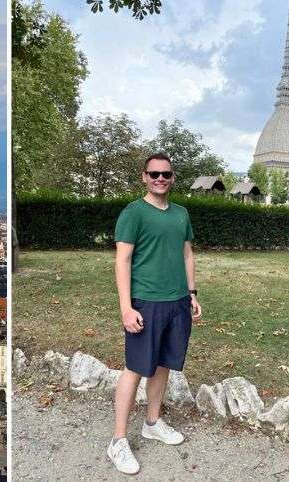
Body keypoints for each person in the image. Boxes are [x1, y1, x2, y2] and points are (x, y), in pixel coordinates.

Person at [106, 152, 202, 475]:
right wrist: (125, 307)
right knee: (134, 369)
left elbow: (187, 254)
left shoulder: (181, 214)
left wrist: (192, 294)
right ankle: (118, 440)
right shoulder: (133, 213)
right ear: (144, 177)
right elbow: (123, 261)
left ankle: (152, 422)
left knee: (163, 365)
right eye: (154, 173)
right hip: (145, 303)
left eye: (166, 174)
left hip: (177, 303)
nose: (160, 178)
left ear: (173, 178)